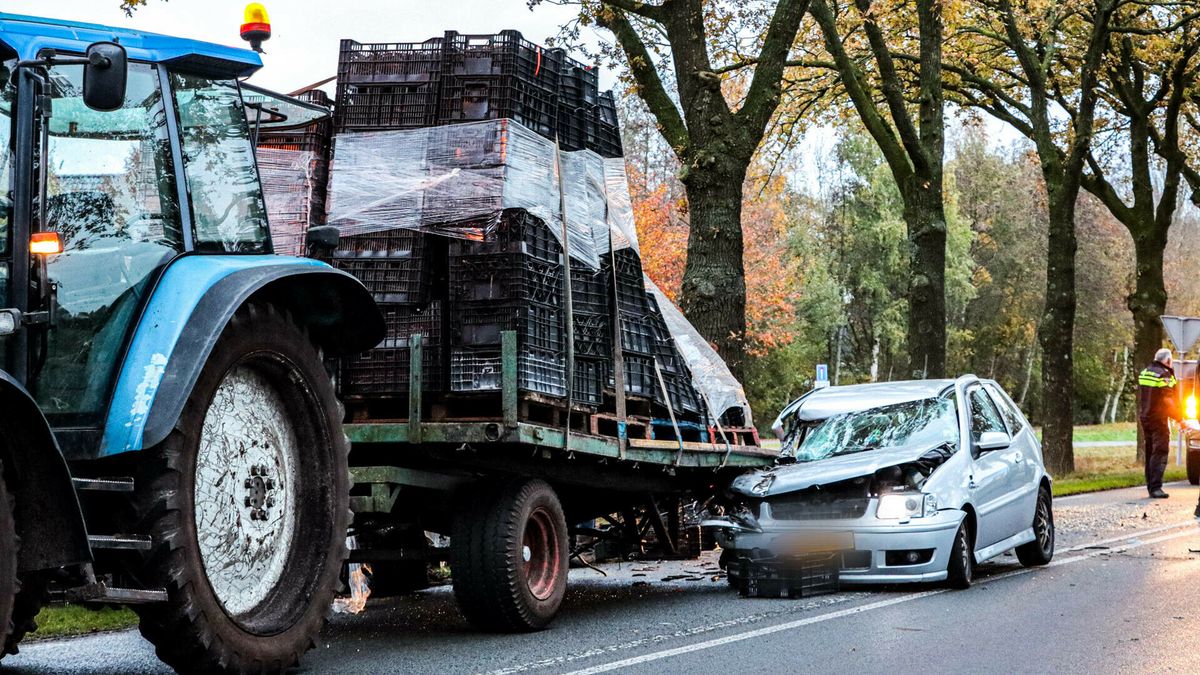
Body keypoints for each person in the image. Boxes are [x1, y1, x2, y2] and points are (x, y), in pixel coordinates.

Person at [1137, 348, 1182, 498]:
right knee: (1160, 451)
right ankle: (1156, 487)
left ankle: (1151, 486)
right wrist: (1179, 417)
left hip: (1145, 417)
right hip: (1159, 419)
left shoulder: (1146, 372)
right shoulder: (1164, 375)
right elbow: (1167, 400)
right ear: (1168, 360)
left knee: (1150, 451)